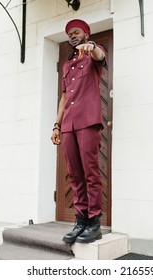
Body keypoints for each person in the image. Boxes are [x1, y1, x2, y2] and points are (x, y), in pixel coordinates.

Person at [51, 19, 106, 244]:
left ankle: (94, 223)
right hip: (68, 126)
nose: (72, 35)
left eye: (76, 32)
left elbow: (100, 55)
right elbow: (64, 97)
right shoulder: (66, 66)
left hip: (88, 122)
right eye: (69, 34)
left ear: (86, 34)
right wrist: (56, 124)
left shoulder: (92, 56)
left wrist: (92, 47)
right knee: (74, 174)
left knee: (90, 173)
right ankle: (81, 220)